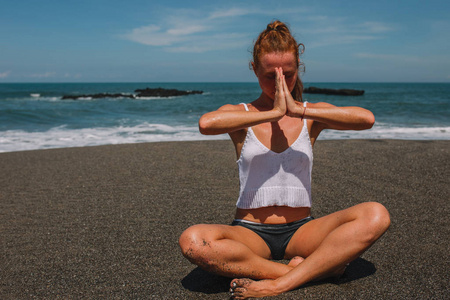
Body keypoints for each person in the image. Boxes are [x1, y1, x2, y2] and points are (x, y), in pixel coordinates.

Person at [179, 20, 390, 299]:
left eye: (288, 74)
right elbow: (206, 124)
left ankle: (279, 284)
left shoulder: (309, 114)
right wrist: (272, 113)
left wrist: (297, 109)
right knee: (193, 241)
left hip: (303, 231)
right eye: (269, 76)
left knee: (376, 214)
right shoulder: (242, 115)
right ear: (254, 69)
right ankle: (312, 271)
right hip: (250, 233)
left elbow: (366, 119)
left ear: (298, 68)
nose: (279, 82)